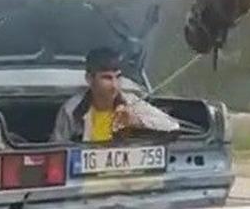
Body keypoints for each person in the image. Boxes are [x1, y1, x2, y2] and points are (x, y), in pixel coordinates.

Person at [51, 47, 179, 143]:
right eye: (107, 78)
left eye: (118, 77)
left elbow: (172, 125)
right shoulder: (72, 109)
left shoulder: (132, 102)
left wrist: (136, 120)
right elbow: (57, 148)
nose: (115, 85)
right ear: (89, 79)